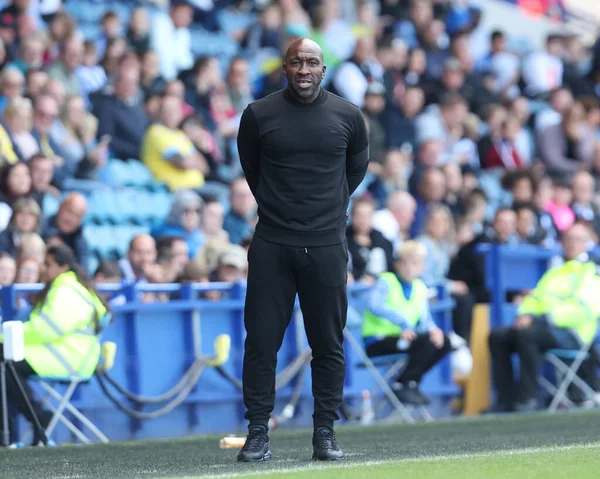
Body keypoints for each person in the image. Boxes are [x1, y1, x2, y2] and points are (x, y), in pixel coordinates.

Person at [236, 38, 369, 462]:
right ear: (285, 68)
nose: (304, 69)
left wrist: (325, 211)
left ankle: (324, 433)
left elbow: (356, 170)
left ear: (323, 70)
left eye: (312, 62)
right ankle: (257, 431)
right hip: (273, 243)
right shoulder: (259, 115)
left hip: (328, 244)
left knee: (328, 344)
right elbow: (252, 169)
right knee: (260, 342)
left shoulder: (348, 116)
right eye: (297, 62)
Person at [0, 245, 109, 446]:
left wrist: (5, 337)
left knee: (5, 363)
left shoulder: (67, 291)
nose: (43, 268)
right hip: (66, 356)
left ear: (63, 266)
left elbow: (45, 330)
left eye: (48, 264)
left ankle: (38, 420)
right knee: (5, 362)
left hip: (67, 359)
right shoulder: (68, 287)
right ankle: (36, 421)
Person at [488, 224, 600, 413]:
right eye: (568, 239)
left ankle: (526, 399)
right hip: (543, 328)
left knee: (527, 335)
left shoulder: (592, 272)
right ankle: (505, 400)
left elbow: (583, 310)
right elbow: (534, 299)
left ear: (586, 244)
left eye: (577, 239)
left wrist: (540, 320)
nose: (571, 244)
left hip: (574, 334)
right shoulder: (554, 272)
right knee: (498, 336)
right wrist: (525, 314)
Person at [363, 241, 451, 405]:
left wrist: (434, 330)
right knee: (423, 342)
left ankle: (409, 382)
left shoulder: (420, 288)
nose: (409, 267)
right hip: (378, 340)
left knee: (443, 342)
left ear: (422, 267)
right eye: (405, 263)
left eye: (415, 263)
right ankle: (403, 384)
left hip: (405, 339)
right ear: (397, 264)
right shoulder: (386, 281)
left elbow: (425, 319)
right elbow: (374, 305)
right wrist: (403, 323)